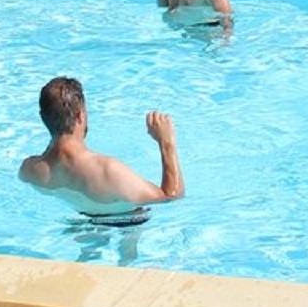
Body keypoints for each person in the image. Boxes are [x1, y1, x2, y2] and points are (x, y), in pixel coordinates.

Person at [18, 76, 184, 211]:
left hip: (80, 222)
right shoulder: (108, 171)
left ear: (43, 118)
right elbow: (171, 198)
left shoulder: (29, 170)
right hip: (125, 223)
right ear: (80, 116)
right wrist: (166, 143)